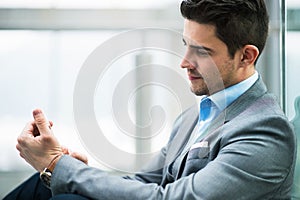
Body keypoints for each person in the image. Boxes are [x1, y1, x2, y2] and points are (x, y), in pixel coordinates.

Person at [4, 0, 296, 199]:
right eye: (186, 46)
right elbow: (143, 183)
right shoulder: (195, 116)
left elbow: (173, 198)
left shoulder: (265, 130)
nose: (184, 62)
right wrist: (62, 168)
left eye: (202, 52)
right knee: (43, 187)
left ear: (247, 56)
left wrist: (61, 168)